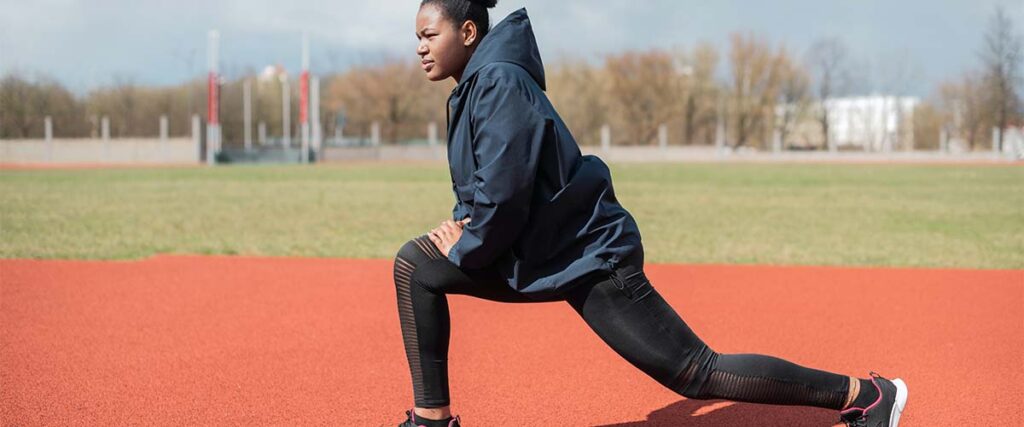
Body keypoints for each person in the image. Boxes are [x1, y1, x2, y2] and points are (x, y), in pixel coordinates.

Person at [395, 1, 909, 426]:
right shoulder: (476, 87)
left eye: (428, 34)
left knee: (697, 372)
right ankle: (431, 419)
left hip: (591, 257)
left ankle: (865, 395)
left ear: (466, 31)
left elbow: (505, 195)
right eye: (416, 37)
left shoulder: (499, 82)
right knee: (416, 266)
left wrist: (467, 240)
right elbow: (487, 185)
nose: (419, 47)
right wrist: (465, 222)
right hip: (544, 252)